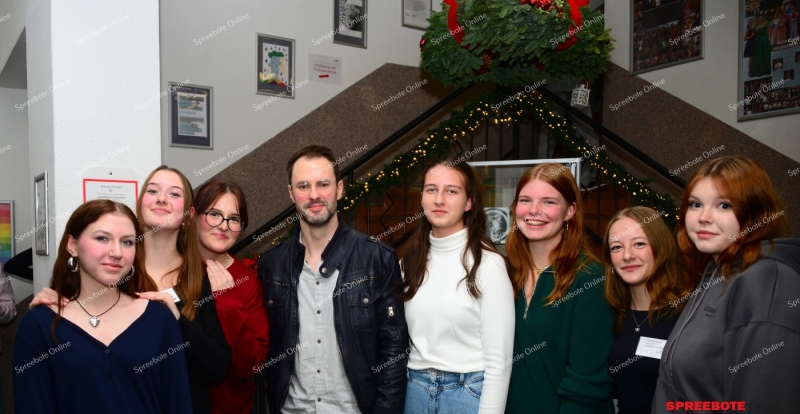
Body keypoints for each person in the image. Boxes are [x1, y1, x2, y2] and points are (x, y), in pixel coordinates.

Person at [30, 166, 232, 414]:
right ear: (140, 203)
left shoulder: (201, 279)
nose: (161, 198)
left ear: (189, 215)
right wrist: (53, 303)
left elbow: (218, 367)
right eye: (153, 190)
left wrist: (178, 321)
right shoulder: (108, 269)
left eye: (174, 194)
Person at [258, 145, 409, 414]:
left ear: (339, 188)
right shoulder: (271, 264)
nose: (314, 195)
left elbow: (394, 349)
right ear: (291, 193)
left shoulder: (378, 258)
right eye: (303, 186)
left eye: (323, 184)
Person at [14, 200, 192, 413]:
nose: (117, 252)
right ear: (72, 245)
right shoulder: (39, 324)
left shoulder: (159, 318)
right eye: (102, 238)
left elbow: (178, 403)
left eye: (127, 242)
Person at [651, 155, 800, 413]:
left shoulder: (765, 282)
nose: (704, 217)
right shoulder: (716, 271)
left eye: (724, 205)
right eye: (695, 204)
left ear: (756, 213)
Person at [400, 160, 514, 414]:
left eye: (451, 191)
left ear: (469, 202)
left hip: (468, 394)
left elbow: (500, 363)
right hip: (414, 391)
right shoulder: (408, 263)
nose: (439, 199)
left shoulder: (489, 265)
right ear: (422, 199)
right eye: (431, 190)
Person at [504, 163, 614, 414]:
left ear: (570, 211)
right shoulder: (504, 273)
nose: (534, 210)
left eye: (549, 202)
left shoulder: (589, 278)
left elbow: (585, 384)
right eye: (525, 200)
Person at [602, 207, 691, 414]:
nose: (627, 255)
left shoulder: (688, 315)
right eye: (617, 247)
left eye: (639, 244)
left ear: (661, 248)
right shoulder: (610, 316)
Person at [193, 179, 269, 414]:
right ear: (193, 216)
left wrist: (227, 301)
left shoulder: (246, 280)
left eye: (234, 219)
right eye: (214, 214)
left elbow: (250, 364)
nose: (224, 226)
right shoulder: (172, 266)